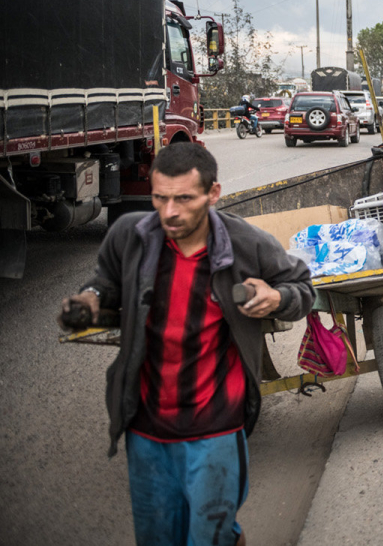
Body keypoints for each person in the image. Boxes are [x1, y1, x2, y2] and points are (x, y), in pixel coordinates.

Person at [58, 143, 314, 546]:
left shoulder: (247, 244)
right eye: (160, 198)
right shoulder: (131, 235)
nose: (170, 212)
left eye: (184, 199)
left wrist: (278, 298)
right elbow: (104, 281)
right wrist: (88, 299)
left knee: (209, 537)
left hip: (215, 429)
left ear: (213, 194)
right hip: (145, 430)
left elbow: (302, 288)